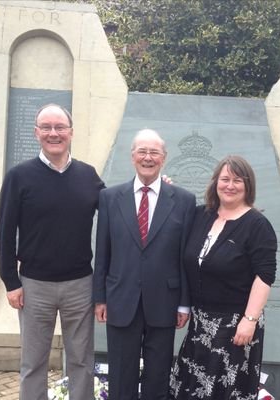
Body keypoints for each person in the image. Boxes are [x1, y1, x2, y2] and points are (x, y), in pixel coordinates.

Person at [0, 104, 105, 400]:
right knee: (33, 363)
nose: (53, 133)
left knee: (81, 361)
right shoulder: (19, 176)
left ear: (71, 132)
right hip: (33, 286)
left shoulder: (88, 175)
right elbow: (5, 231)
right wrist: (11, 282)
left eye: (60, 127)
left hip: (80, 285)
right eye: (46, 127)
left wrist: (154, 189)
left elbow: (117, 210)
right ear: (36, 133)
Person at [93, 128, 196, 400]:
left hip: (164, 302)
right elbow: (103, 251)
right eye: (142, 151)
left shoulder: (184, 201)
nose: (147, 157)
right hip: (120, 299)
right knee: (120, 377)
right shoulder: (109, 198)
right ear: (132, 156)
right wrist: (100, 298)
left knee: (158, 378)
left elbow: (185, 257)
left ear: (164, 158)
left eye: (154, 152)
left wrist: (184, 303)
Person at [169, 155, 277, 400]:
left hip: (235, 327)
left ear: (248, 186)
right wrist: (165, 187)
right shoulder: (201, 216)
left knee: (225, 391)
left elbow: (264, 276)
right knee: (192, 387)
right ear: (215, 182)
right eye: (225, 179)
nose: (230, 185)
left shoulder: (257, 225)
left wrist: (250, 319)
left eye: (237, 180)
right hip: (200, 324)